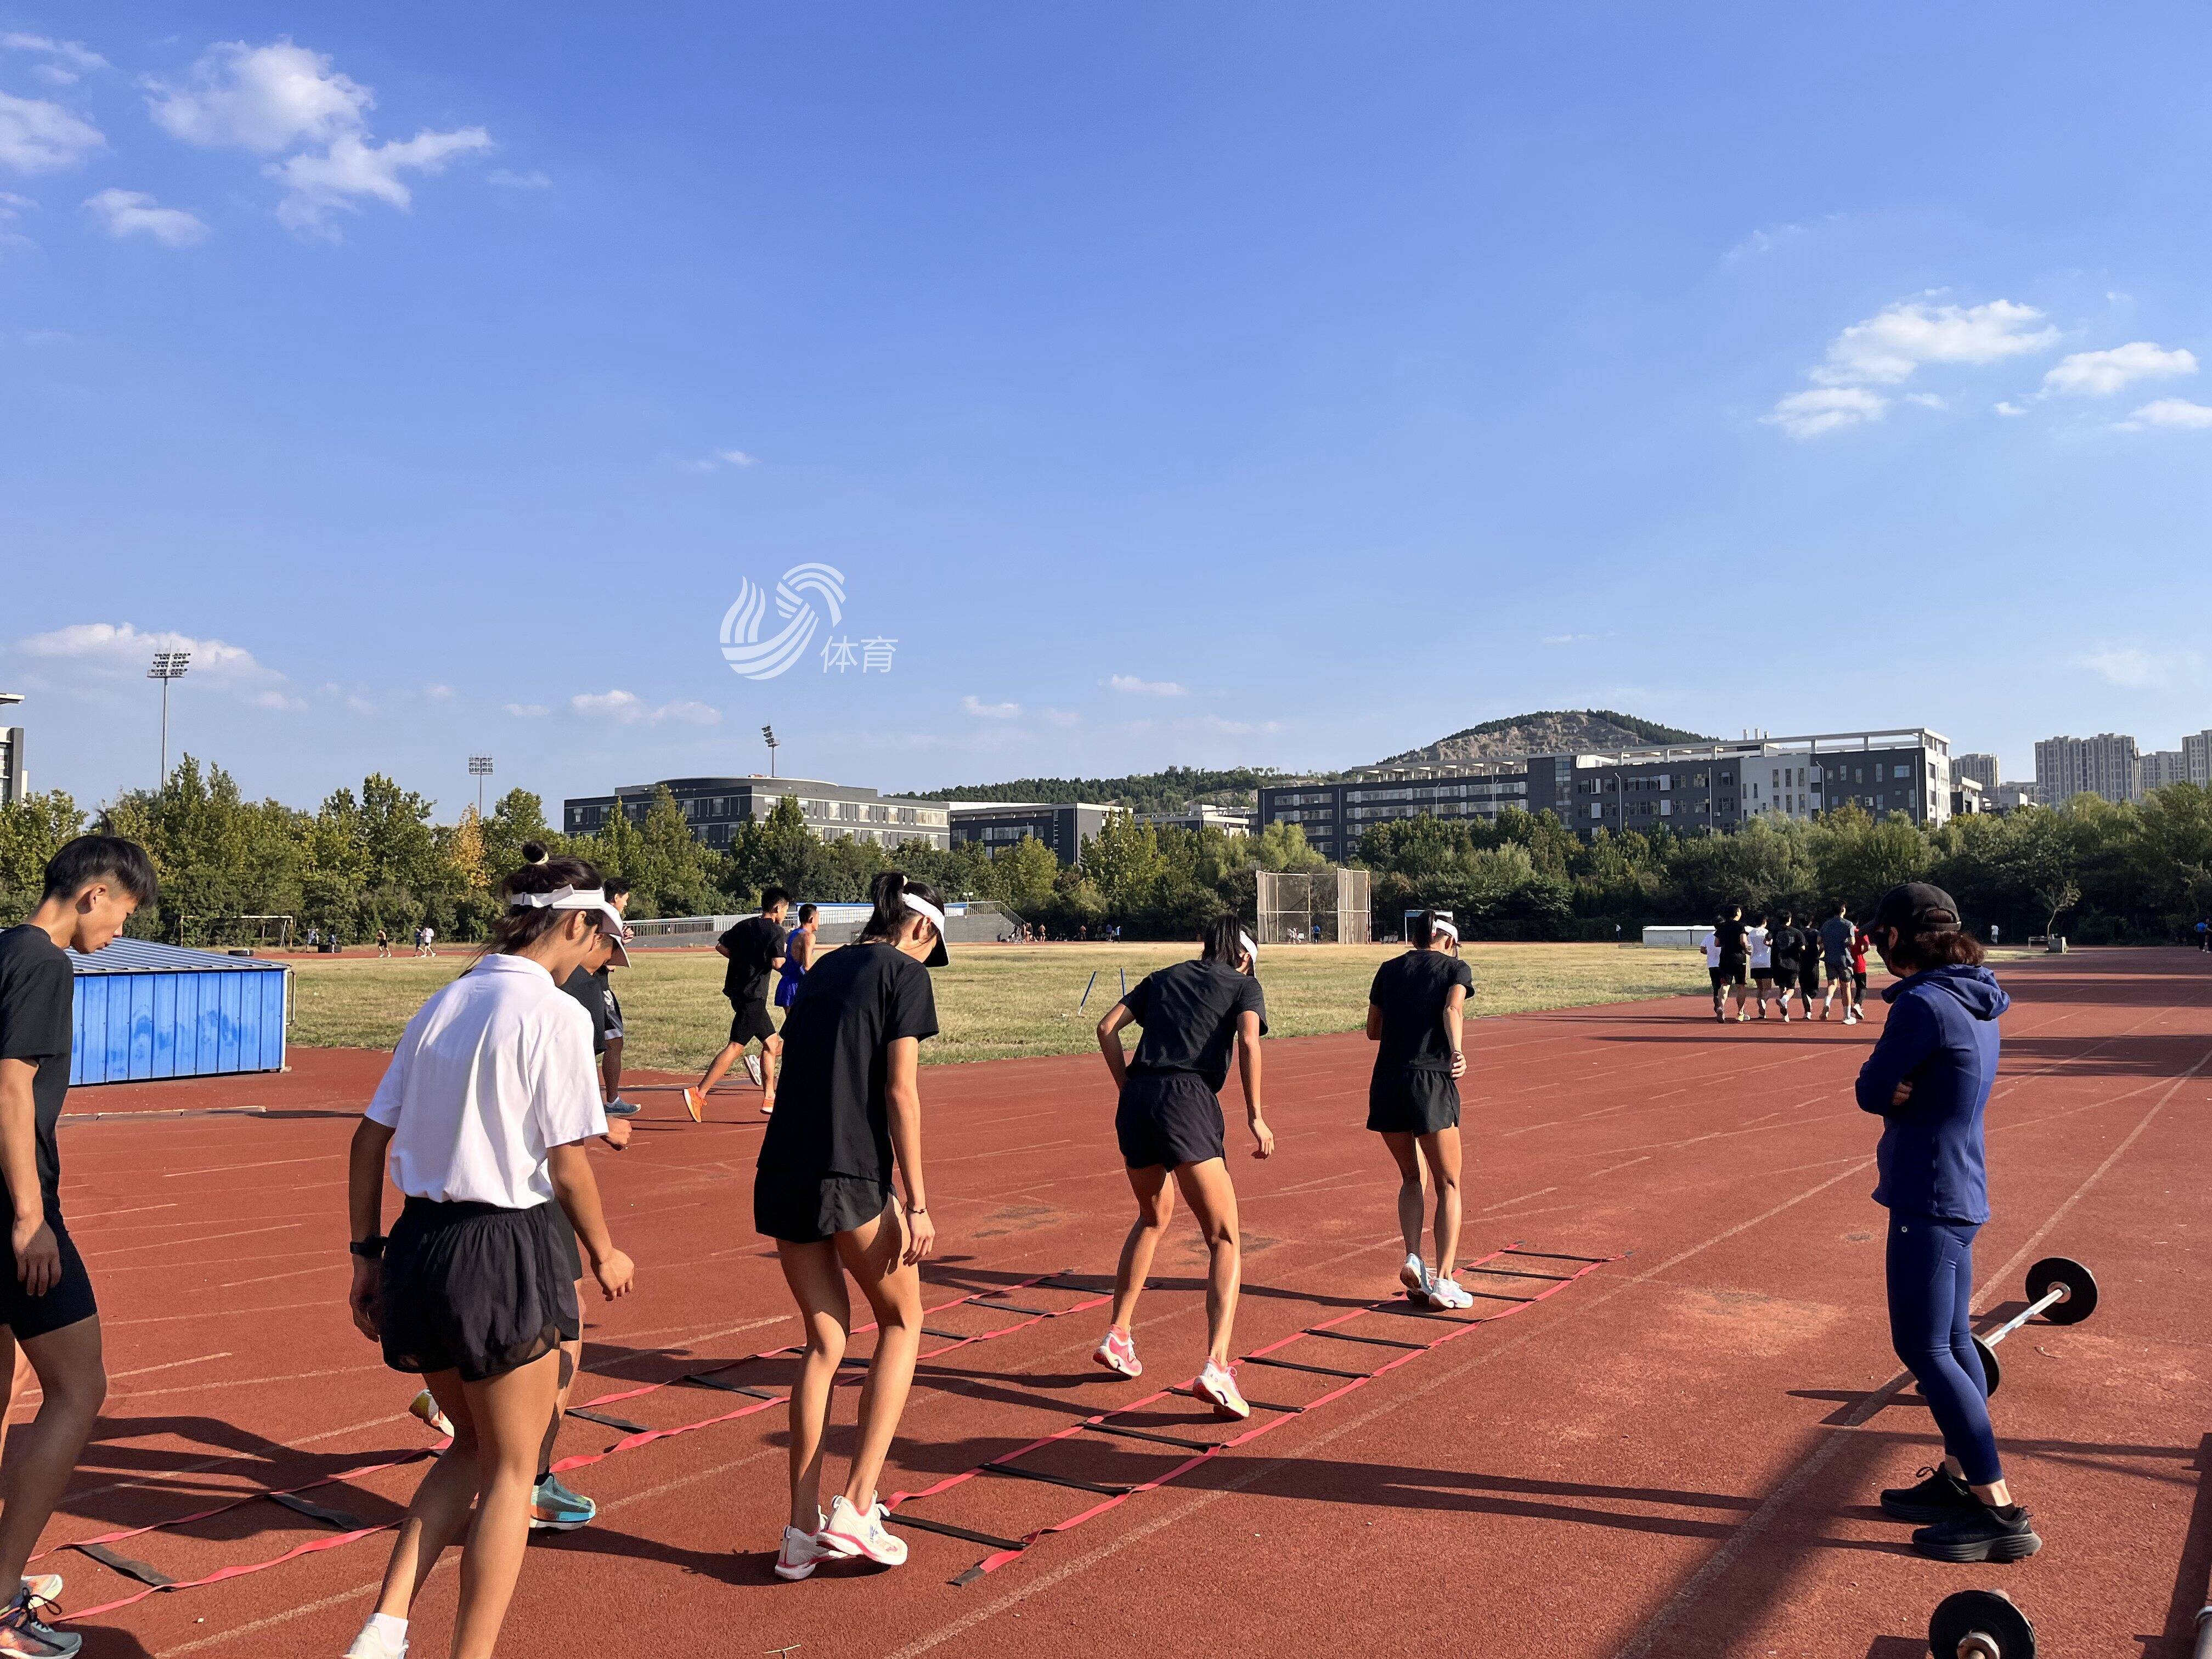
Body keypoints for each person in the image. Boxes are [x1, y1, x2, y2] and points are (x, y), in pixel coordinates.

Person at [343, 856, 636, 1659]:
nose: (594, 956)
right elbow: (568, 1158)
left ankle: (385, 1625)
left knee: (468, 1446)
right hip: (504, 1246)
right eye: (598, 937)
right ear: (574, 923)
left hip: (418, 1244)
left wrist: (367, 1255)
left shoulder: (444, 1001)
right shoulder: (553, 1013)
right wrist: (605, 1251)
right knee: (515, 1471)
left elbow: (370, 1138)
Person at [757, 872, 944, 1580]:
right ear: (920, 929)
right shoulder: (904, 974)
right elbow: (901, 1091)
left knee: (825, 1339)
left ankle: (801, 1528)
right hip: (851, 1175)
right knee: (902, 1322)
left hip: (784, 1171)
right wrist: (917, 1201)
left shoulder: (827, 964)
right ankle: (858, 1504)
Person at [0, 837, 156, 1659]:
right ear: (95, 893)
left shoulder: (2, 949)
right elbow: (11, 1082)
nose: (120, 929)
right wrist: (30, 1216)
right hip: (11, 1210)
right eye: (124, 913)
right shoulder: (43, 961)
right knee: (78, 1386)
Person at [1855, 883, 2036, 1564]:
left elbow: (1874, 1089)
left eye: (1882, 933)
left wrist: (1888, 1087)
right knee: (1953, 1339)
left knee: (1925, 1348)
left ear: (1896, 937)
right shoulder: (1973, 996)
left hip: (1929, 1193)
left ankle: (1997, 1510)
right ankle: (1963, 1481)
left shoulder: (1923, 1005)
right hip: (1960, 1184)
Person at [1090, 914, 1273, 1419]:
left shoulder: (1166, 976)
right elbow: (1250, 1042)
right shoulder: (1244, 986)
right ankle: (1217, 1364)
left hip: (1139, 1101)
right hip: (1188, 1100)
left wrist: (1128, 1085)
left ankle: (1119, 1334)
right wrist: (1256, 1117)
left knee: (1152, 1217)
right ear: (1243, 956)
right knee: (1225, 1237)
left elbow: (1106, 1028)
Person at [1364, 912, 1474, 1308]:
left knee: (1412, 1176)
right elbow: (1452, 1010)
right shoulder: (1455, 968)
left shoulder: (1388, 969)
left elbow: (1373, 1029)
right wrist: (1456, 1051)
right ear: (1445, 938)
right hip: (1429, 1082)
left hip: (1387, 1082)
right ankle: (1444, 1279)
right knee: (1449, 1183)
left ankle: (1414, 1255)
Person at [686, 889, 789, 1122]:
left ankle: (769, 1097)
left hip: (737, 992)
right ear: (777, 908)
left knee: (772, 1042)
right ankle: (699, 1092)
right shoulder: (776, 931)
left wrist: (744, 960)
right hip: (754, 995)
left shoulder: (746, 925)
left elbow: (721, 946)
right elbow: (777, 963)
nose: (785, 913)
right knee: (735, 1046)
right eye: (785, 909)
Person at [594, 878, 640, 1120]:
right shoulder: (609, 915)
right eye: (625, 898)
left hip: (590, 987)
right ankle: (611, 1100)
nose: (625, 903)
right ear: (616, 897)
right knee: (614, 1042)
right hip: (599, 989)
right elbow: (608, 963)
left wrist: (621, 941)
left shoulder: (594, 914)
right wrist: (619, 946)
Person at [1818, 900, 1858, 1024]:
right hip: (1843, 960)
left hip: (1829, 958)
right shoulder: (1848, 924)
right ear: (1843, 910)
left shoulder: (1826, 925)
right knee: (1846, 986)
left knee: (1832, 983)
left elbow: (1819, 940)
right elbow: (1852, 942)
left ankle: (1827, 1003)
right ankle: (1847, 1016)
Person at [776, 903, 819, 1014]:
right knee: (802, 1028)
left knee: (791, 1028)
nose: (819, 922)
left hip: (786, 985)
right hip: (797, 987)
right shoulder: (809, 936)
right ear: (811, 919)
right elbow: (806, 967)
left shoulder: (793, 934)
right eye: (818, 918)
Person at [1711, 905, 1751, 1023]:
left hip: (1725, 958)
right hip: (1739, 958)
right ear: (1737, 912)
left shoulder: (1722, 927)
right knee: (1741, 985)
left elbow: (1716, 943)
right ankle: (1740, 1013)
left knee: (1725, 984)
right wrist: (1747, 949)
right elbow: (1743, 941)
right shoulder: (1741, 926)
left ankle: (1721, 1007)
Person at [1768, 910, 1802, 1023]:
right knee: (1791, 988)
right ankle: (1784, 1000)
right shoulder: (1797, 932)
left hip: (1777, 963)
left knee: (1782, 988)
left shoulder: (1774, 931)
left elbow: (1766, 940)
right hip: (1792, 963)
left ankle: (1784, 1014)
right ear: (1790, 919)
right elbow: (1803, 948)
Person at [1747, 914, 1775, 1020]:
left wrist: (1750, 953)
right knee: (1768, 989)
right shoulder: (1767, 933)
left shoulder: (1751, 933)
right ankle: (1763, 1001)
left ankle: (1761, 1012)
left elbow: (1747, 946)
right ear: (1765, 922)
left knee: (1760, 987)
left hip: (1755, 963)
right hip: (1767, 963)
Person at [1701, 927, 1727, 1019]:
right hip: (1723, 965)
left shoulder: (1708, 936)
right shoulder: (1725, 935)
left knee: (1716, 988)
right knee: (1724, 987)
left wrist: (1710, 953)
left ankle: (1717, 1009)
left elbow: (1702, 950)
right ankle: (1721, 1007)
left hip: (1712, 965)